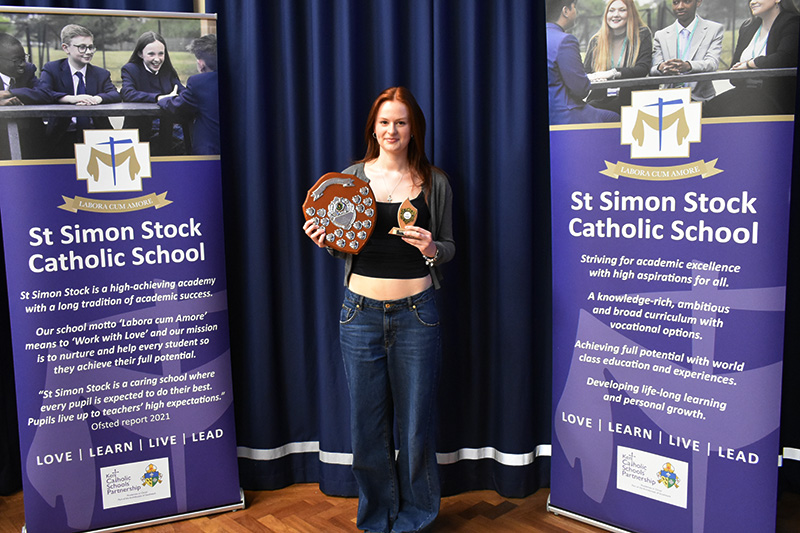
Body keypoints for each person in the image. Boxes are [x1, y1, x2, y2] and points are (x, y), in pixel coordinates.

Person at [303, 87, 455, 533]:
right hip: (360, 315)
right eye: (385, 122)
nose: (392, 130)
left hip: (417, 315)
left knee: (415, 425)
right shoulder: (350, 179)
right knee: (366, 425)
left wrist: (432, 248)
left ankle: (417, 518)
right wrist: (325, 240)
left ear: (414, 129)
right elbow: (343, 245)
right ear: (373, 127)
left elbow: (449, 246)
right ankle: (375, 517)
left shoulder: (435, 182)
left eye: (401, 122)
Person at [704, 0, 799, 117]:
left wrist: (750, 64)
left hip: (776, 98)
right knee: (706, 110)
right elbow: (733, 72)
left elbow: (784, 58)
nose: (752, 2)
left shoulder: (792, 23)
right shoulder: (747, 27)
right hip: (745, 93)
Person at [39, 24, 121, 157]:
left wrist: (96, 99)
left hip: (96, 134)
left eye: (91, 47)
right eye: (82, 47)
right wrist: (71, 99)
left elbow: (114, 94)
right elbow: (42, 92)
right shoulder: (52, 69)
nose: (88, 52)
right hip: (63, 134)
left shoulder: (101, 74)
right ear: (66, 48)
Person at [546, 0, 620, 124]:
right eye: (574, 7)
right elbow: (580, 89)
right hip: (564, 114)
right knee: (614, 118)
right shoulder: (565, 41)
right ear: (565, 11)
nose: (577, 12)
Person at [121, 31, 186, 154]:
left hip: (167, 129)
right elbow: (128, 93)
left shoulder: (168, 71)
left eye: (161, 54)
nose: (157, 59)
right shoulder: (130, 69)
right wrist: (159, 98)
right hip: (140, 131)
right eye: (151, 54)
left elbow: (183, 91)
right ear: (140, 54)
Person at [583, 0, 653, 113]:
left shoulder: (642, 34)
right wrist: (596, 77)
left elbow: (642, 68)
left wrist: (613, 73)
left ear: (631, 13)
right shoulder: (596, 40)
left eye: (622, 10)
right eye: (611, 10)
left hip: (630, 102)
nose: (616, 14)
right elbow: (586, 72)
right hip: (599, 101)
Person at [650, 0, 724, 102]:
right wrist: (661, 67)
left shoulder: (713, 30)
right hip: (670, 99)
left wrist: (688, 66)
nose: (680, 7)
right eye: (675, 2)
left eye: (686, 1)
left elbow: (712, 63)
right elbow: (653, 69)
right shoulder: (661, 35)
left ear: (698, 2)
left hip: (701, 100)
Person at [158, 35, 219, 155]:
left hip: (209, 153)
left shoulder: (199, 83)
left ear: (201, 64)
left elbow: (177, 106)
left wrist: (162, 99)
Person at [0, 32, 51, 159]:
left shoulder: (27, 71)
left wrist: (10, 93)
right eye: (17, 60)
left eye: (24, 58)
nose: (22, 64)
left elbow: (45, 93)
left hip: (28, 142)